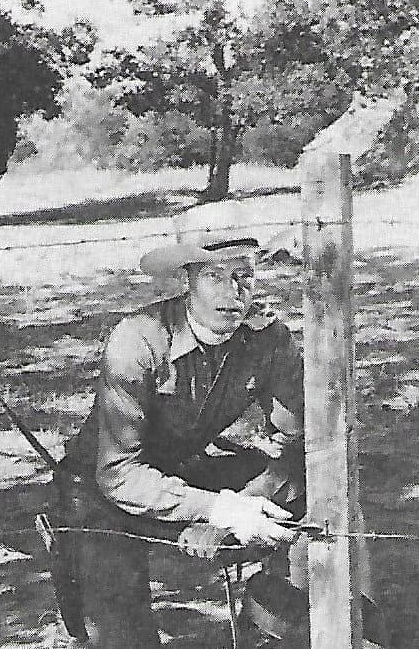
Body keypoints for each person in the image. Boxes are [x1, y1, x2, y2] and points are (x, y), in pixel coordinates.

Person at [49, 200, 385, 648]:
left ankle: (306, 621)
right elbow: (117, 475)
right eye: (214, 276)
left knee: (319, 487)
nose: (234, 293)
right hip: (102, 489)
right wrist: (217, 509)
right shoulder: (138, 340)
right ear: (187, 281)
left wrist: (246, 501)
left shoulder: (265, 338)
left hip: (186, 469)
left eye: (244, 275)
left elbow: (307, 439)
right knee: (122, 635)